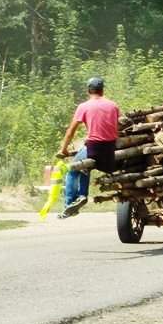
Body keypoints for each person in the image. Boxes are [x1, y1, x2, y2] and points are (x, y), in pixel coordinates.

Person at [56, 77, 120, 219]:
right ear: (102, 90)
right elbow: (116, 129)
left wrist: (64, 150)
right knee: (84, 167)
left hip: (94, 148)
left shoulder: (84, 106)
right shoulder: (113, 106)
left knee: (72, 170)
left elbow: (70, 131)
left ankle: (69, 204)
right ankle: (82, 195)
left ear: (88, 90)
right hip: (110, 149)